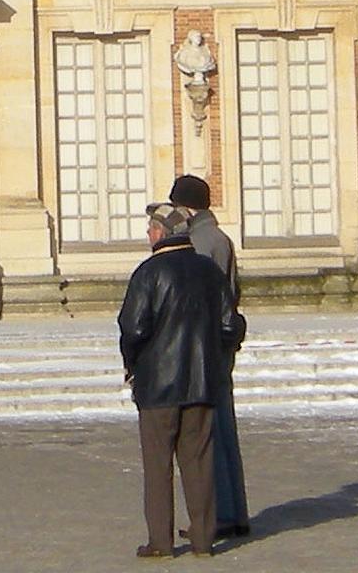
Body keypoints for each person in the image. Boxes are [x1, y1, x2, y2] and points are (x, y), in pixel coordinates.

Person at [118, 201, 235, 559]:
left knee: (158, 465)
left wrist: (132, 363)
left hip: (157, 384)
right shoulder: (209, 271)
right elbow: (230, 324)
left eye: (150, 228)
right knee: (198, 462)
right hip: (201, 381)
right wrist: (217, 358)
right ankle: (203, 539)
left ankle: (161, 541)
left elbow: (133, 327)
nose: (148, 234)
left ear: (160, 233)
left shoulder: (149, 272)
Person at [172, 173, 251, 539]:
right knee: (223, 430)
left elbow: (204, 298)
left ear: (186, 207)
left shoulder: (201, 242)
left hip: (206, 346)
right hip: (219, 344)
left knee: (208, 433)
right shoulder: (218, 238)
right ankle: (233, 511)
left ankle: (219, 513)